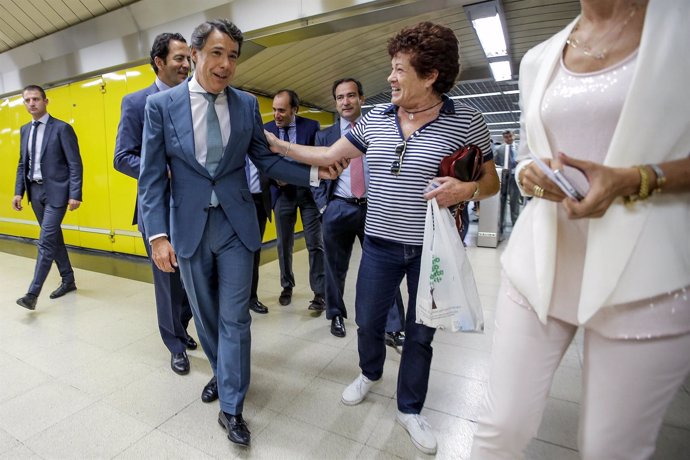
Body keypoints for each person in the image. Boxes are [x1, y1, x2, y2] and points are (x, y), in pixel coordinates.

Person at [265, 22, 499, 455]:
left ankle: (410, 408)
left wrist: (467, 190)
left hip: (431, 251)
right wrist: (278, 146)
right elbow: (329, 155)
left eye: (398, 70)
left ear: (430, 75)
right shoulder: (375, 119)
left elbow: (491, 179)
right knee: (369, 320)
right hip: (380, 244)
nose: (389, 78)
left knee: (421, 330)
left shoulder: (467, 120)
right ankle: (370, 373)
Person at [470, 1, 690, 458]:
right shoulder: (539, 57)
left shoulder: (678, 24)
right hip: (543, 257)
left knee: (611, 447)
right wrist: (529, 171)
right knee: (500, 426)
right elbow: (536, 149)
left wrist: (636, 178)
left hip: (645, 270)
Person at [138, 19, 338, 448]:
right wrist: (157, 235)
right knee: (207, 317)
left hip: (235, 225)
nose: (226, 64)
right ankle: (222, 370)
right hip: (187, 227)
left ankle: (232, 405)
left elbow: (266, 161)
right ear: (194, 55)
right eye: (217, 53)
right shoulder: (162, 106)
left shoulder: (246, 105)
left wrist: (314, 172)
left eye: (233, 56)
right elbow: (151, 178)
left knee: (235, 317)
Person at [113, 32, 198, 378]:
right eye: (178, 58)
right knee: (167, 283)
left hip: (194, 207)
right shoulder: (136, 102)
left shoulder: (196, 98)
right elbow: (122, 157)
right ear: (159, 62)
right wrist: (162, 170)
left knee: (195, 280)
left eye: (187, 58)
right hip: (158, 207)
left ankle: (181, 324)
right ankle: (176, 344)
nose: (185, 64)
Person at [312, 77, 406, 345]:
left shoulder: (380, 129)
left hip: (373, 208)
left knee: (384, 266)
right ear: (336, 102)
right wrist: (324, 206)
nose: (345, 102)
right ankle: (336, 314)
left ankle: (393, 325)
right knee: (334, 266)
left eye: (351, 96)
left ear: (361, 99)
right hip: (338, 207)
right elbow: (315, 175)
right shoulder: (325, 135)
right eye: (340, 97)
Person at [13, 85, 83, 311]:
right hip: (35, 192)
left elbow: (75, 163)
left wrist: (75, 194)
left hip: (57, 193)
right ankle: (68, 279)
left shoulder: (61, 128)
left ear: (45, 101)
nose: (31, 103)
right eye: (27, 100)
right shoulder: (25, 130)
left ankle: (32, 294)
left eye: (35, 99)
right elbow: (22, 163)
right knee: (54, 238)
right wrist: (18, 192)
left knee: (45, 240)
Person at [264, 90, 326, 312]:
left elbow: (318, 157)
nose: (276, 115)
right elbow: (263, 161)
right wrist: (274, 179)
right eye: (274, 109)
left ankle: (320, 293)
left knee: (315, 243)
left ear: (294, 110)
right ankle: (286, 286)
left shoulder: (311, 127)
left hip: (308, 193)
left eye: (281, 110)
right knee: (284, 244)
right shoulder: (268, 130)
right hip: (283, 195)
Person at [245, 158, 271, 315]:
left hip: (259, 202)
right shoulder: (232, 142)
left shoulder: (260, 143)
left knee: (255, 251)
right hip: (237, 202)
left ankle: (251, 298)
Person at [493, 129, 521, 226]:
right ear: (503, 138)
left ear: (514, 136)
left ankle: (515, 224)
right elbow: (494, 163)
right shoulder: (499, 149)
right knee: (502, 202)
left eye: (510, 136)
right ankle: (501, 224)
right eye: (506, 137)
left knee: (515, 202)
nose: (508, 139)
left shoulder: (519, 148)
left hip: (515, 178)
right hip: (503, 178)